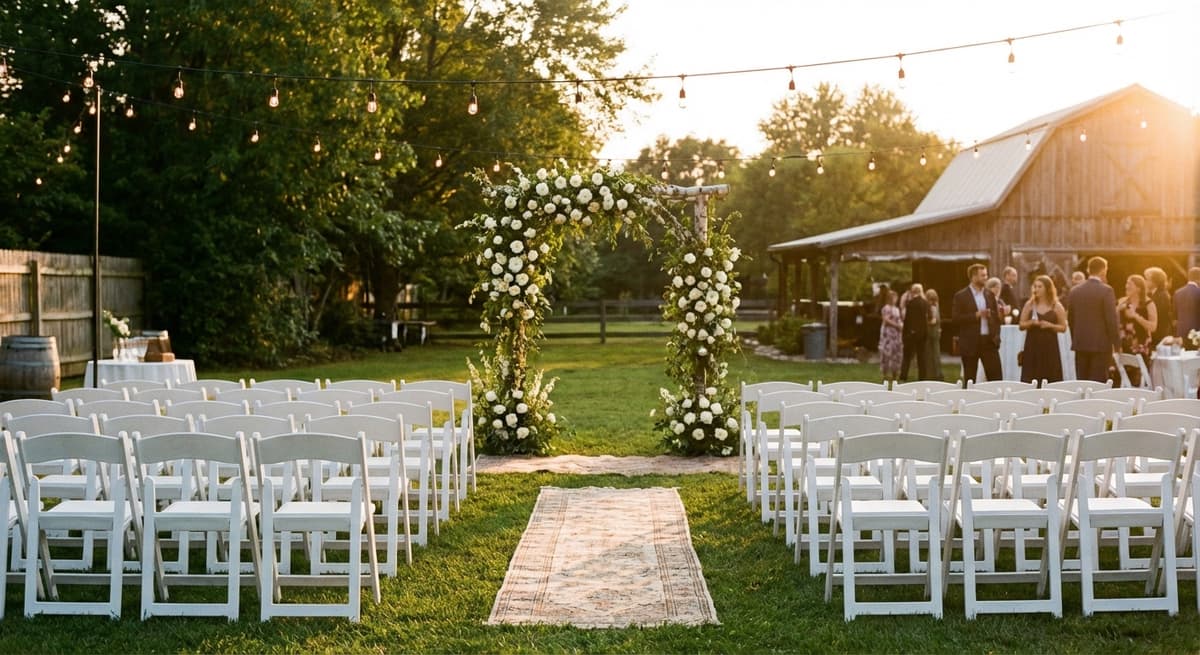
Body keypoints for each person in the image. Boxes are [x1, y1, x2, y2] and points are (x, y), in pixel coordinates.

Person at [1066, 256, 1120, 383]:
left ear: (1088, 270)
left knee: (1082, 382)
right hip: (1101, 345)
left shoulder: (1074, 291)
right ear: (1103, 270)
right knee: (1098, 383)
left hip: (1081, 343)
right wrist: (1117, 344)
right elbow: (1111, 320)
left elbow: (1071, 319)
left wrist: (1076, 338)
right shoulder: (1106, 291)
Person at [952, 263, 1002, 384]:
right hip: (970, 342)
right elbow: (956, 318)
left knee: (996, 377)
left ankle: (996, 396)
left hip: (989, 342)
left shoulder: (989, 294)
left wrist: (996, 336)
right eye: (982, 275)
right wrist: (976, 315)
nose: (986, 278)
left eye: (986, 275)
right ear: (973, 277)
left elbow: (996, 318)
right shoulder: (961, 296)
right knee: (970, 379)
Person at [1018, 275, 1067, 384]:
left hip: (1050, 346)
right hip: (1032, 345)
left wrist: (1050, 325)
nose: (1036, 289)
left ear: (1047, 288)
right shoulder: (1030, 305)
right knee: (1032, 375)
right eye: (1035, 286)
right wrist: (1031, 323)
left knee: (1050, 375)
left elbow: (1063, 327)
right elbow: (1021, 325)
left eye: (1040, 286)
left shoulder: (1056, 306)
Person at [1116, 274, 1157, 387]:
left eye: (1130, 284)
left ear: (1138, 288)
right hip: (1123, 346)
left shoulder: (1149, 304)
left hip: (1141, 346)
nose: (1126, 286)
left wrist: (1136, 316)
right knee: (1122, 378)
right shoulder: (1122, 302)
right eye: (1126, 283)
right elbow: (1113, 322)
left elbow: (1153, 327)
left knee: (1138, 379)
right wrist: (1117, 310)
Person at [899, 283, 929, 381]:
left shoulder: (910, 304)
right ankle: (922, 376)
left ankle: (903, 375)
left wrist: (905, 333)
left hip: (911, 332)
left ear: (913, 291)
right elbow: (927, 319)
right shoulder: (925, 303)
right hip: (922, 333)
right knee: (922, 356)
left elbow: (907, 320)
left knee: (907, 356)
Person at [1144, 266, 1173, 346]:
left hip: (1159, 336)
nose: (1144, 282)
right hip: (1156, 335)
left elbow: (1157, 315)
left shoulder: (1162, 295)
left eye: (1147, 279)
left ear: (1155, 281)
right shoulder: (1154, 294)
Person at [878, 289, 902, 383]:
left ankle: (895, 373)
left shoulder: (896, 309)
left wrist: (901, 325)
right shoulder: (886, 308)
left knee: (896, 353)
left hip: (896, 334)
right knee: (886, 353)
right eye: (894, 298)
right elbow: (886, 320)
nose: (896, 299)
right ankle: (885, 374)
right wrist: (896, 325)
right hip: (888, 333)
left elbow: (899, 319)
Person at [1174, 267, 1200, 342]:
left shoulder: (1177, 292)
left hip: (1181, 331)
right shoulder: (1198, 292)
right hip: (1197, 333)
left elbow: (1175, 315)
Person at [923, 288, 944, 381]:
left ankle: (935, 373)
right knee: (933, 353)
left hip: (932, 331)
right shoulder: (934, 306)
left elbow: (935, 320)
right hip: (932, 331)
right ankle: (934, 373)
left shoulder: (931, 306)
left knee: (933, 353)